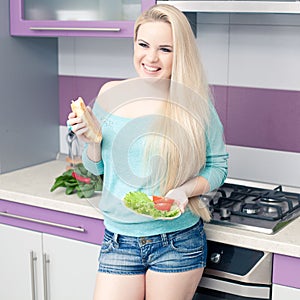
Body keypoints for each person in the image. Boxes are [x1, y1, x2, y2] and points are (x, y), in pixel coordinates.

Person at [67, 4, 228, 300]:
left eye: (165, 49)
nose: (151, 58)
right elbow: (96, 170)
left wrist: (184, 190)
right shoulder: (109, 93)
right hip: (118, 240)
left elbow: (218, 166)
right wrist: (91, 141)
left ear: (180, 55)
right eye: (144, 45)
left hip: (176, 242)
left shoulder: (195, 104)